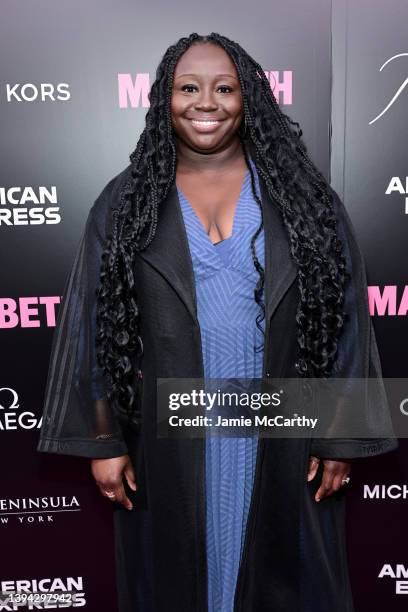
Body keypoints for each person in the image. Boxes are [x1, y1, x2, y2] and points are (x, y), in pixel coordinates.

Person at [37, 32, 397, 612]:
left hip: (282, 431)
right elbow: (92, 325)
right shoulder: (124, 202)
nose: (207, 102)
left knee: (285, 578)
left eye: (224, 87)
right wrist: (103, 438)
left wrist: (340, 435)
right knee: (179, 580)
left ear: (248, 96)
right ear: (165, 98)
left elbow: (348, 319)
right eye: (189, 87)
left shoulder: (308, 201)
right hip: (170, 438)